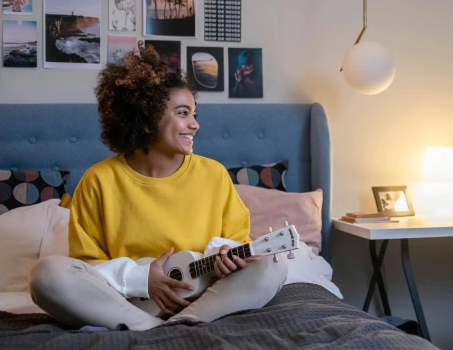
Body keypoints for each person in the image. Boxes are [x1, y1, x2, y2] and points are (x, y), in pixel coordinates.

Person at [28, 42, 287, 331]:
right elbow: (88, 267)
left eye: (194, 114)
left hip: (202, 297)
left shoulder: (213, 174)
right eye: (183, 113)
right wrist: (141, 279)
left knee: (273, 265)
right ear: (147, 119)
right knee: (46, 274)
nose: (195, 125)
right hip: (122, 302)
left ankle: (178, 324)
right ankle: (153, 328)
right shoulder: (98, 180)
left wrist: (225, 255)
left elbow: (236, 242)